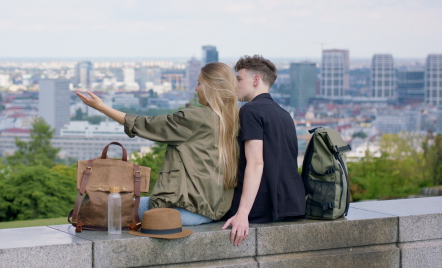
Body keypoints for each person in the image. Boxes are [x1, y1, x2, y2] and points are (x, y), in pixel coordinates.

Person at [76, 62, 239, 226]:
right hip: (210, 211)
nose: (196, 89)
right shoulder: (231, 120)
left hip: (186, 210)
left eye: (199, 83)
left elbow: (146, 125)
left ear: (212, 87)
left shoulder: (198, 117)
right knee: (122, 204)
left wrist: (102, 107)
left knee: (103, 208)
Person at [222, 55, 306, 246]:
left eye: (239, 79)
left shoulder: (250, 111)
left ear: (256, 80)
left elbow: (256, 163)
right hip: (292, 204)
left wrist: (242, 213)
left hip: (263, 207)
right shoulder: (284, 114)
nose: (235, 84)